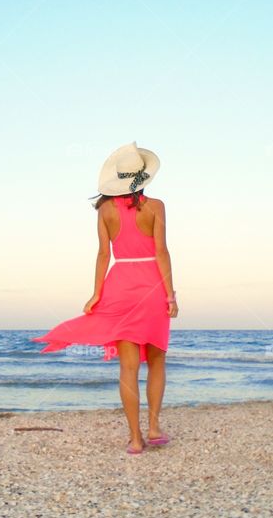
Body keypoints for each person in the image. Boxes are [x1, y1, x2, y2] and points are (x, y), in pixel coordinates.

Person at [31, 141, 178, 455]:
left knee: (127, 368)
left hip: (119, 286)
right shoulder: (156, 206)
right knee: (156, 361)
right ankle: (153, 427)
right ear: (142, 177)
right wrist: (170, 295)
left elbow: (102, 254)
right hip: (152, 286)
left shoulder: (105, 210)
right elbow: (162, 252)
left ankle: (135, 439)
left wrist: (96, 293)